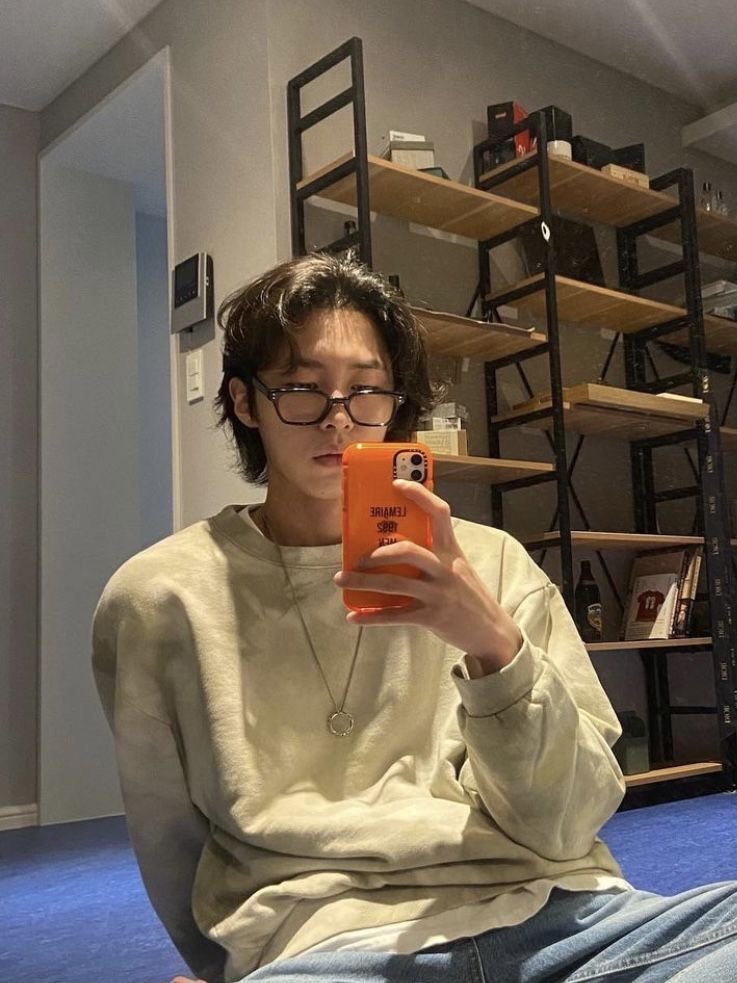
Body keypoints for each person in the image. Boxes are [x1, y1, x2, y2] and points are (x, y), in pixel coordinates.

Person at [92, 252, 737, 983]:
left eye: (366, 390)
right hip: (332, 951)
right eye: (302, 388)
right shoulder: (160, 596)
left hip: (563, 919)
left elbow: (568, 821)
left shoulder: (492, 564)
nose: (339, 419)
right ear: (245, 402)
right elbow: (167, 833)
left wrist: (494, 648)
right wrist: (221, 969)